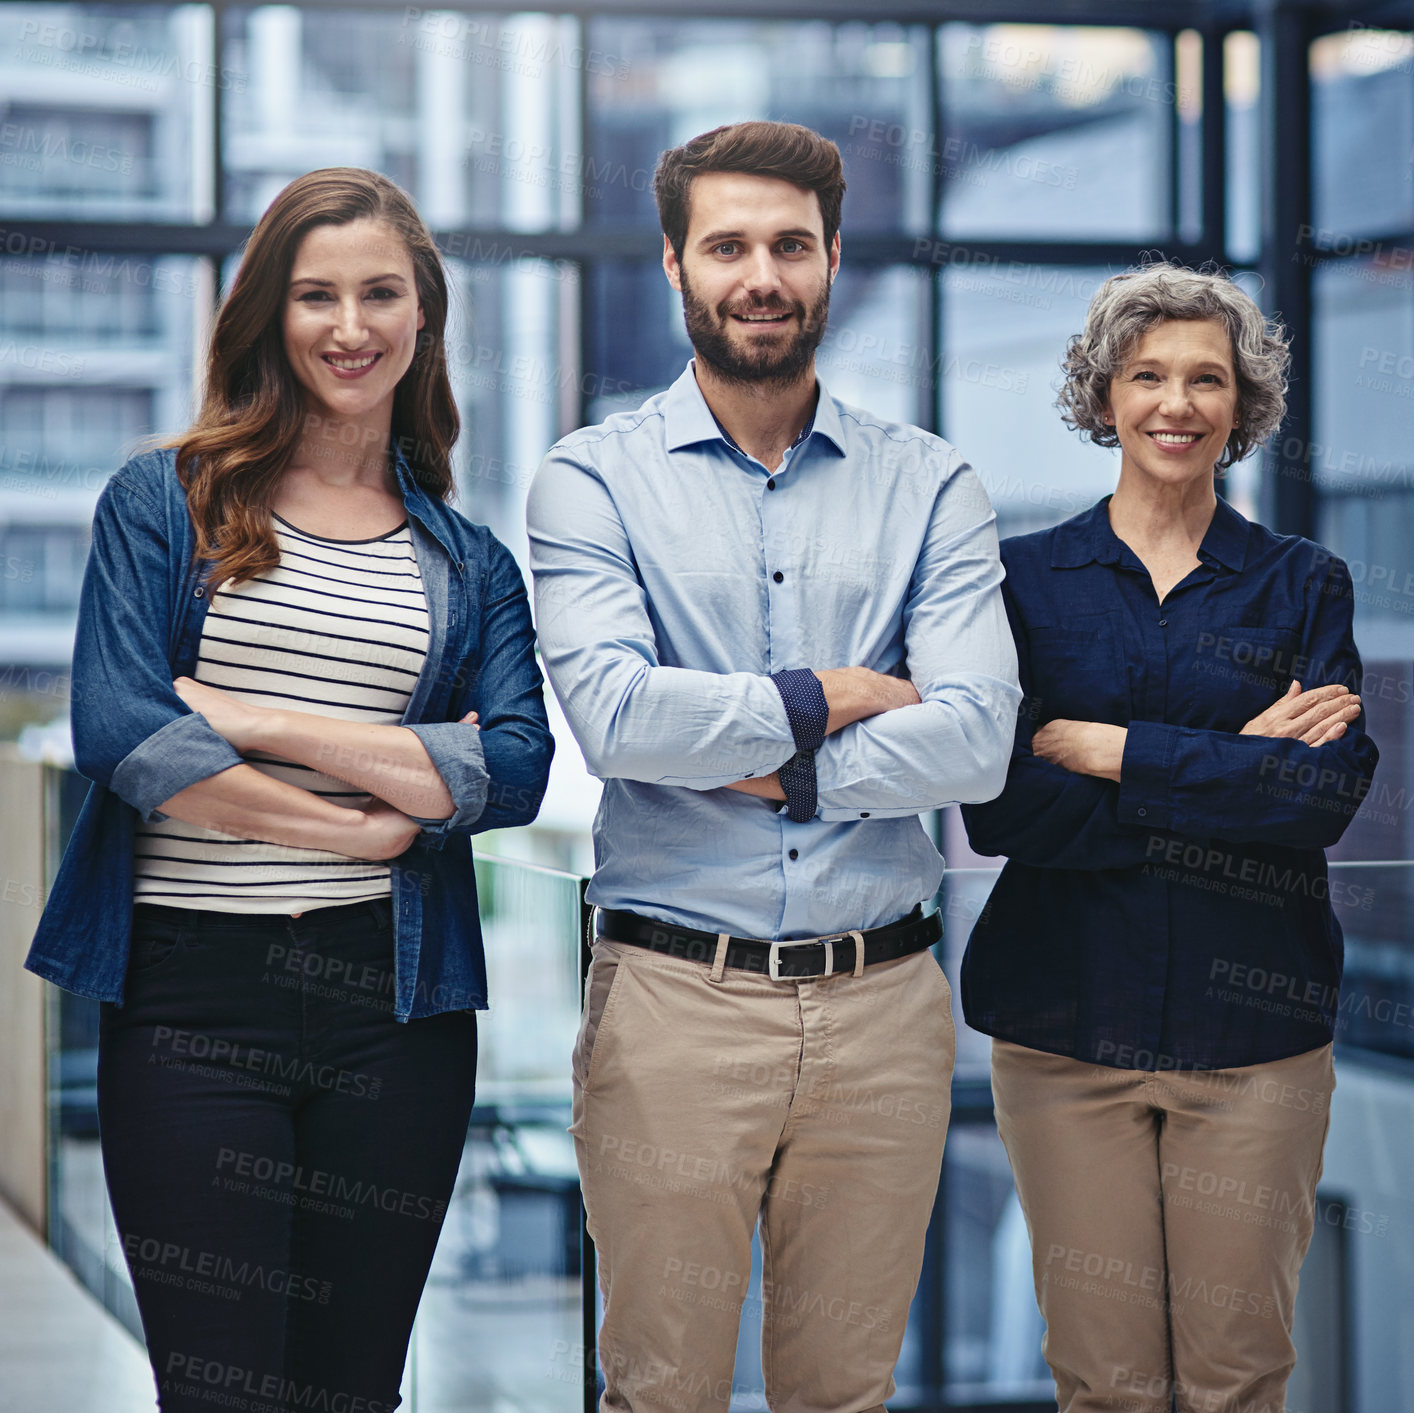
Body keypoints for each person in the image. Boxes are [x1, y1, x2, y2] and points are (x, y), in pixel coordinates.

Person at [25, 167, 553, 1413]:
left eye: (380, 293)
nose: (349, 325)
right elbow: (121, 731)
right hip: (189, 1003)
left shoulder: (468, 562)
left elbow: (514, 768)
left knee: (351, 1391)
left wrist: (248, 717)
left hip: (398, 1014)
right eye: (315, 295)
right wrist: (365, 822)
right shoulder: (165, 501)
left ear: (423, 314)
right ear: (269, 315)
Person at [527, 121, 1020, 1413]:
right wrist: (833, 698)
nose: (762, 274)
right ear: (677, 266)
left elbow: (973, 737)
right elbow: (618, 721)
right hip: (674, 1005)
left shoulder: (930, 484)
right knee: (660, 1390)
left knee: (843, 1393)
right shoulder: (593, 479)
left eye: (789, 245)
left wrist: (776, 764)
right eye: (729, 245)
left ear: (832, 259)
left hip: (884, 1004)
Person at [960, 263, 1379, 1413]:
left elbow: (1318, 801)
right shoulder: (1022, 583)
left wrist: (1112, 750)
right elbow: (1001, 810)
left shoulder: (1302, 583)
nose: (1176, 404)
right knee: (1103, 1380)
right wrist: (1233, 762)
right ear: (1102, 399)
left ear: (1244, 406)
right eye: (1146, 376)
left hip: (1255, 1039)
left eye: (1207, 378)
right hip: (1064, 1033)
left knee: (1238, 1374)